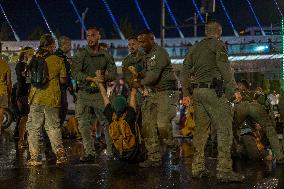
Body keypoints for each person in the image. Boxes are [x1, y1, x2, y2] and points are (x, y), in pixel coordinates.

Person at [181, 21, 244, 182]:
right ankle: (224, 171)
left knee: (201, 132)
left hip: (197, 92)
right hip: (213, 92)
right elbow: (225, 68)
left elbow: (185, 70)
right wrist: (234, 90)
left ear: (206, 32)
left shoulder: (194, 48)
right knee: (225, 129)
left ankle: (198, 167)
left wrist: (186, 93)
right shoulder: (218, 45)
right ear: (219, 31)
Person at [72, 27, 117, 162]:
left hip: (99, 94)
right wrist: (91, 79)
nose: (90, 38)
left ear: (99, 37)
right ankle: (90, 152)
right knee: (83, 124)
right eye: (88, 36)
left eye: (93, 35)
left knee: (107, 122)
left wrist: (104, 77)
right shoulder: (81, 54)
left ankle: (110, 152)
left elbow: (113, 72)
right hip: (84, 93)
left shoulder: (106, 55)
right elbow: (75, 73)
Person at [137, 30, 179, 167]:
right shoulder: (146, 55)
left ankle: (173, 146)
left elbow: (152, 77)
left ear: (151, 39)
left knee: (162, 126)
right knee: (147, 126)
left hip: (167, 92)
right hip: (153, 93)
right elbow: (147, 73)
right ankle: (154, 158)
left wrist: (139, 82)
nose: (141, 44)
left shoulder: (159, 53)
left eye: (143, 41)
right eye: (140, 42)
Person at [26, 34, 67, 166]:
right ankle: (60, 155)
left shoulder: (33, 58)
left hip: (35, 98)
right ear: (51, 45)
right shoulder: (58, 60)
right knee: (53, 127)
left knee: (34, 128)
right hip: (52, 99)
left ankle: (35, 158)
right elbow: (63, 79)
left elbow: (28, 77)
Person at [90, 70, 139, 161]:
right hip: (133, 154)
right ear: (125, 106)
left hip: (118, 154)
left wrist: (99, 83)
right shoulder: (130, 115)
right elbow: (133, 94)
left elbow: (104, 96)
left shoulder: (110, 115)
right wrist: (135, 76)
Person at [234, 80, 284, 163]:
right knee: (269, 130)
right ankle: (279, 156)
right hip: (253, 132)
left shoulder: (236, 97)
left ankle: (230, 153)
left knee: (231, 131)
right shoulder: (258, 97)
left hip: (250, 133)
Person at [15, 47, 35, 148]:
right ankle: (21, 140)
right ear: (25, 54)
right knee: (24, 117)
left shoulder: (26, 65)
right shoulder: (20, 65)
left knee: (27, 117)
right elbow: (23, 76)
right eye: (30, 54)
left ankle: (24, 139)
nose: (32, 56)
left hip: (27, 93)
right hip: (22, 94)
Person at [55, 36, 75, 127]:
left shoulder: (56, 55)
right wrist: (72, 91)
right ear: (64, 45)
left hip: (57, 88)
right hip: (59, 89)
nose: (70, 47)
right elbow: (65, 76)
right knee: (62, 110)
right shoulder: (61, 58)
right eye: (69, 45)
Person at [0, 58, 12, 134]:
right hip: (3, 92)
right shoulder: (5, 64)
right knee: (1, 112)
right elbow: (8, 82)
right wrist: (10, 93)